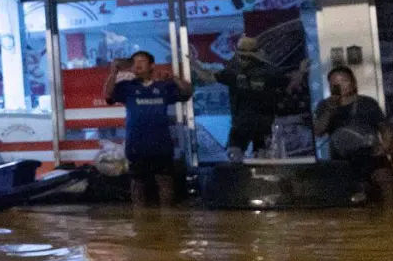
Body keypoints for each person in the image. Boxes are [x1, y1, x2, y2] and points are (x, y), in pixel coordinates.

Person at [103, 51, 193, 208]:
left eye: (142, 61)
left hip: (161, 144)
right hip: (136, 144)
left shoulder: (163, 86)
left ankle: (168, 220)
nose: (137, 64)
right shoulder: (127, 87)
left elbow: (187, 92)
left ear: (152, 65)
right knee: (138, 183)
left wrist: (174, 78)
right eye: (135, 62)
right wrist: (113, 73)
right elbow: (108, 95)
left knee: (165, 181)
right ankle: (140, 221)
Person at [313, 66, 393, 208]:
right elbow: (318, 131)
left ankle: (392, 221)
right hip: (342, 158)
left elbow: (384, 127)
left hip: (371, 154)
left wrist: (386, 146)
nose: (340, 85)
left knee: (387, 185)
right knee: (345, 202)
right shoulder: (324, 105)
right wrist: (330, 110)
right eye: (335, 83)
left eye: (344, 81)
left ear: (353, 83)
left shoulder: (367, 103)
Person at [213, 37, 286, 161]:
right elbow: (211, 76)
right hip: (242, 124)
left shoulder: (270, 71)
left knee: (263, 160)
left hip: (263, 124)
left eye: (247, 56)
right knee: (234, 157)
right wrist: (195, 65)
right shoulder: (234, 70)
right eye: (242, 56)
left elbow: (286, 85)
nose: (244, 59)